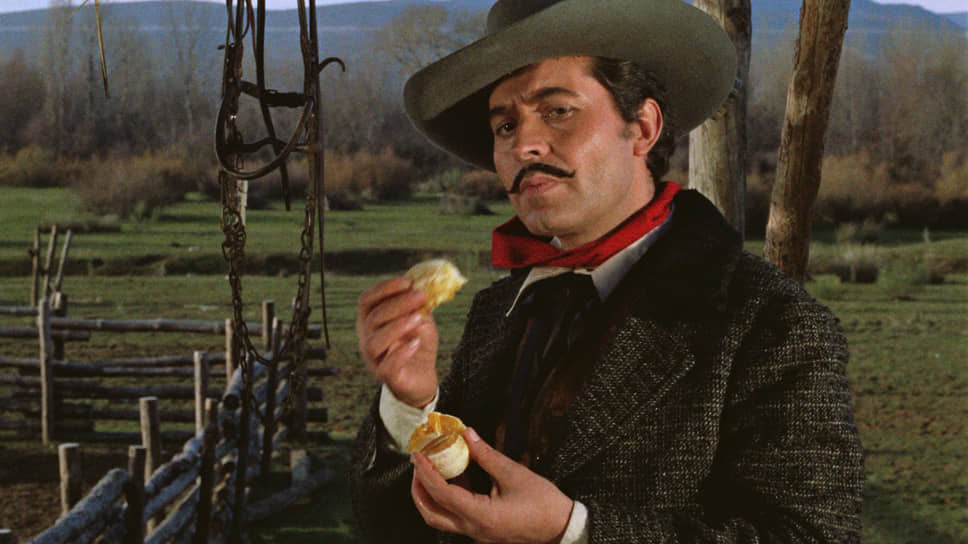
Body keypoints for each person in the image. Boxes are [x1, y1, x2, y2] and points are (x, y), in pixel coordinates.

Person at [350, 0, 865, 542]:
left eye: (558, 111)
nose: (523, 144)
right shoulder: (493, 313)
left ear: (642, 127)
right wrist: (410, 404)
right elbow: (396, 530)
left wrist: (573, 531)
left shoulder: (774, 323)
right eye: (504, 125)